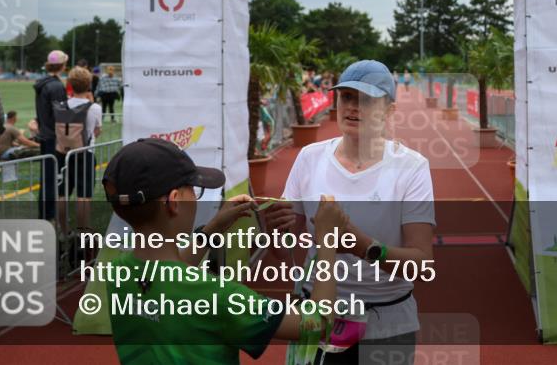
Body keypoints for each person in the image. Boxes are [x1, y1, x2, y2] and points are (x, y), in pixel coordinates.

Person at [101, 138, 349, 365]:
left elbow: (171, 274)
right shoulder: (219, 295)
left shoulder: (117, 272)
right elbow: (318, 324)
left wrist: (212, 229)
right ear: (174, 201)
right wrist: (327, 242)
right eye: (194, 190)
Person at [270, 59, 436, 365]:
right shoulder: (309, 158)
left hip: (386, 323)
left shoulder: (411, 168)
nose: (353, 107)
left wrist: (361, 246)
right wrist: (271, 230)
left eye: (367, 100)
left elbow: (422, 265)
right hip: (316, 319)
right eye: (347, 97)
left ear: (389, 111)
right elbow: (284, 250)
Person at [58, 66, 102, 230]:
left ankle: (62, 229)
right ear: (89, 84)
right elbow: (97, 130)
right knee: (84, 196)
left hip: (64, 152)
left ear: (70, 83)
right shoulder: (94, 107)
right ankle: (83, 231)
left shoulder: (62, 105)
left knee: (62, 193)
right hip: (86, 153)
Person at [35, 50, 69, 220]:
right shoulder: (55, 86)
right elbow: (60, 115)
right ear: (62, 65)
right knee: (52, 177)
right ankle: (48, 213)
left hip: (45, 133)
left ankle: (45, 211)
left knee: (48, 175)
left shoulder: (43, 82)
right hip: (53, 136)